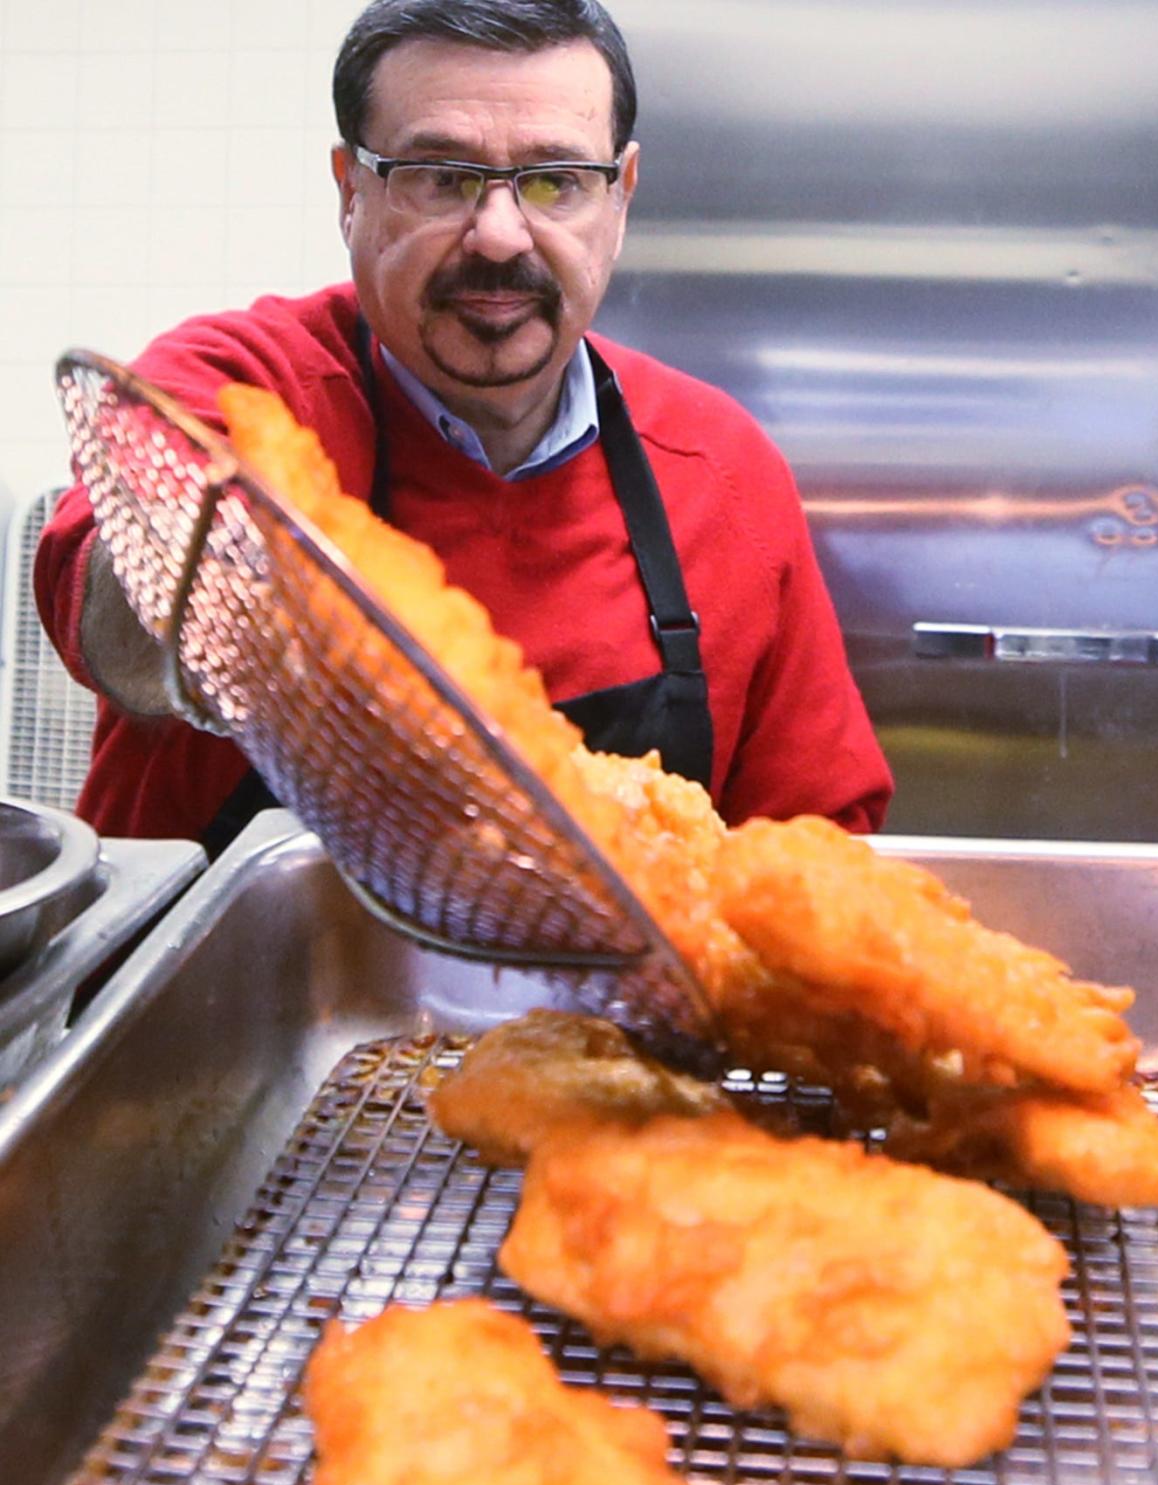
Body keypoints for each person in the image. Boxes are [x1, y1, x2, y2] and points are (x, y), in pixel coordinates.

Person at [36, 0, 892, 856]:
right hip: (222, 984)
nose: (497, 234)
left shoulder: (720, 469)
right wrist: (201, 583)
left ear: (619, 198)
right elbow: (105, 611)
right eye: (442, 177)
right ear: (350, 191)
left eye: (555, 180)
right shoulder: (242, 385)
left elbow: (819, 850)